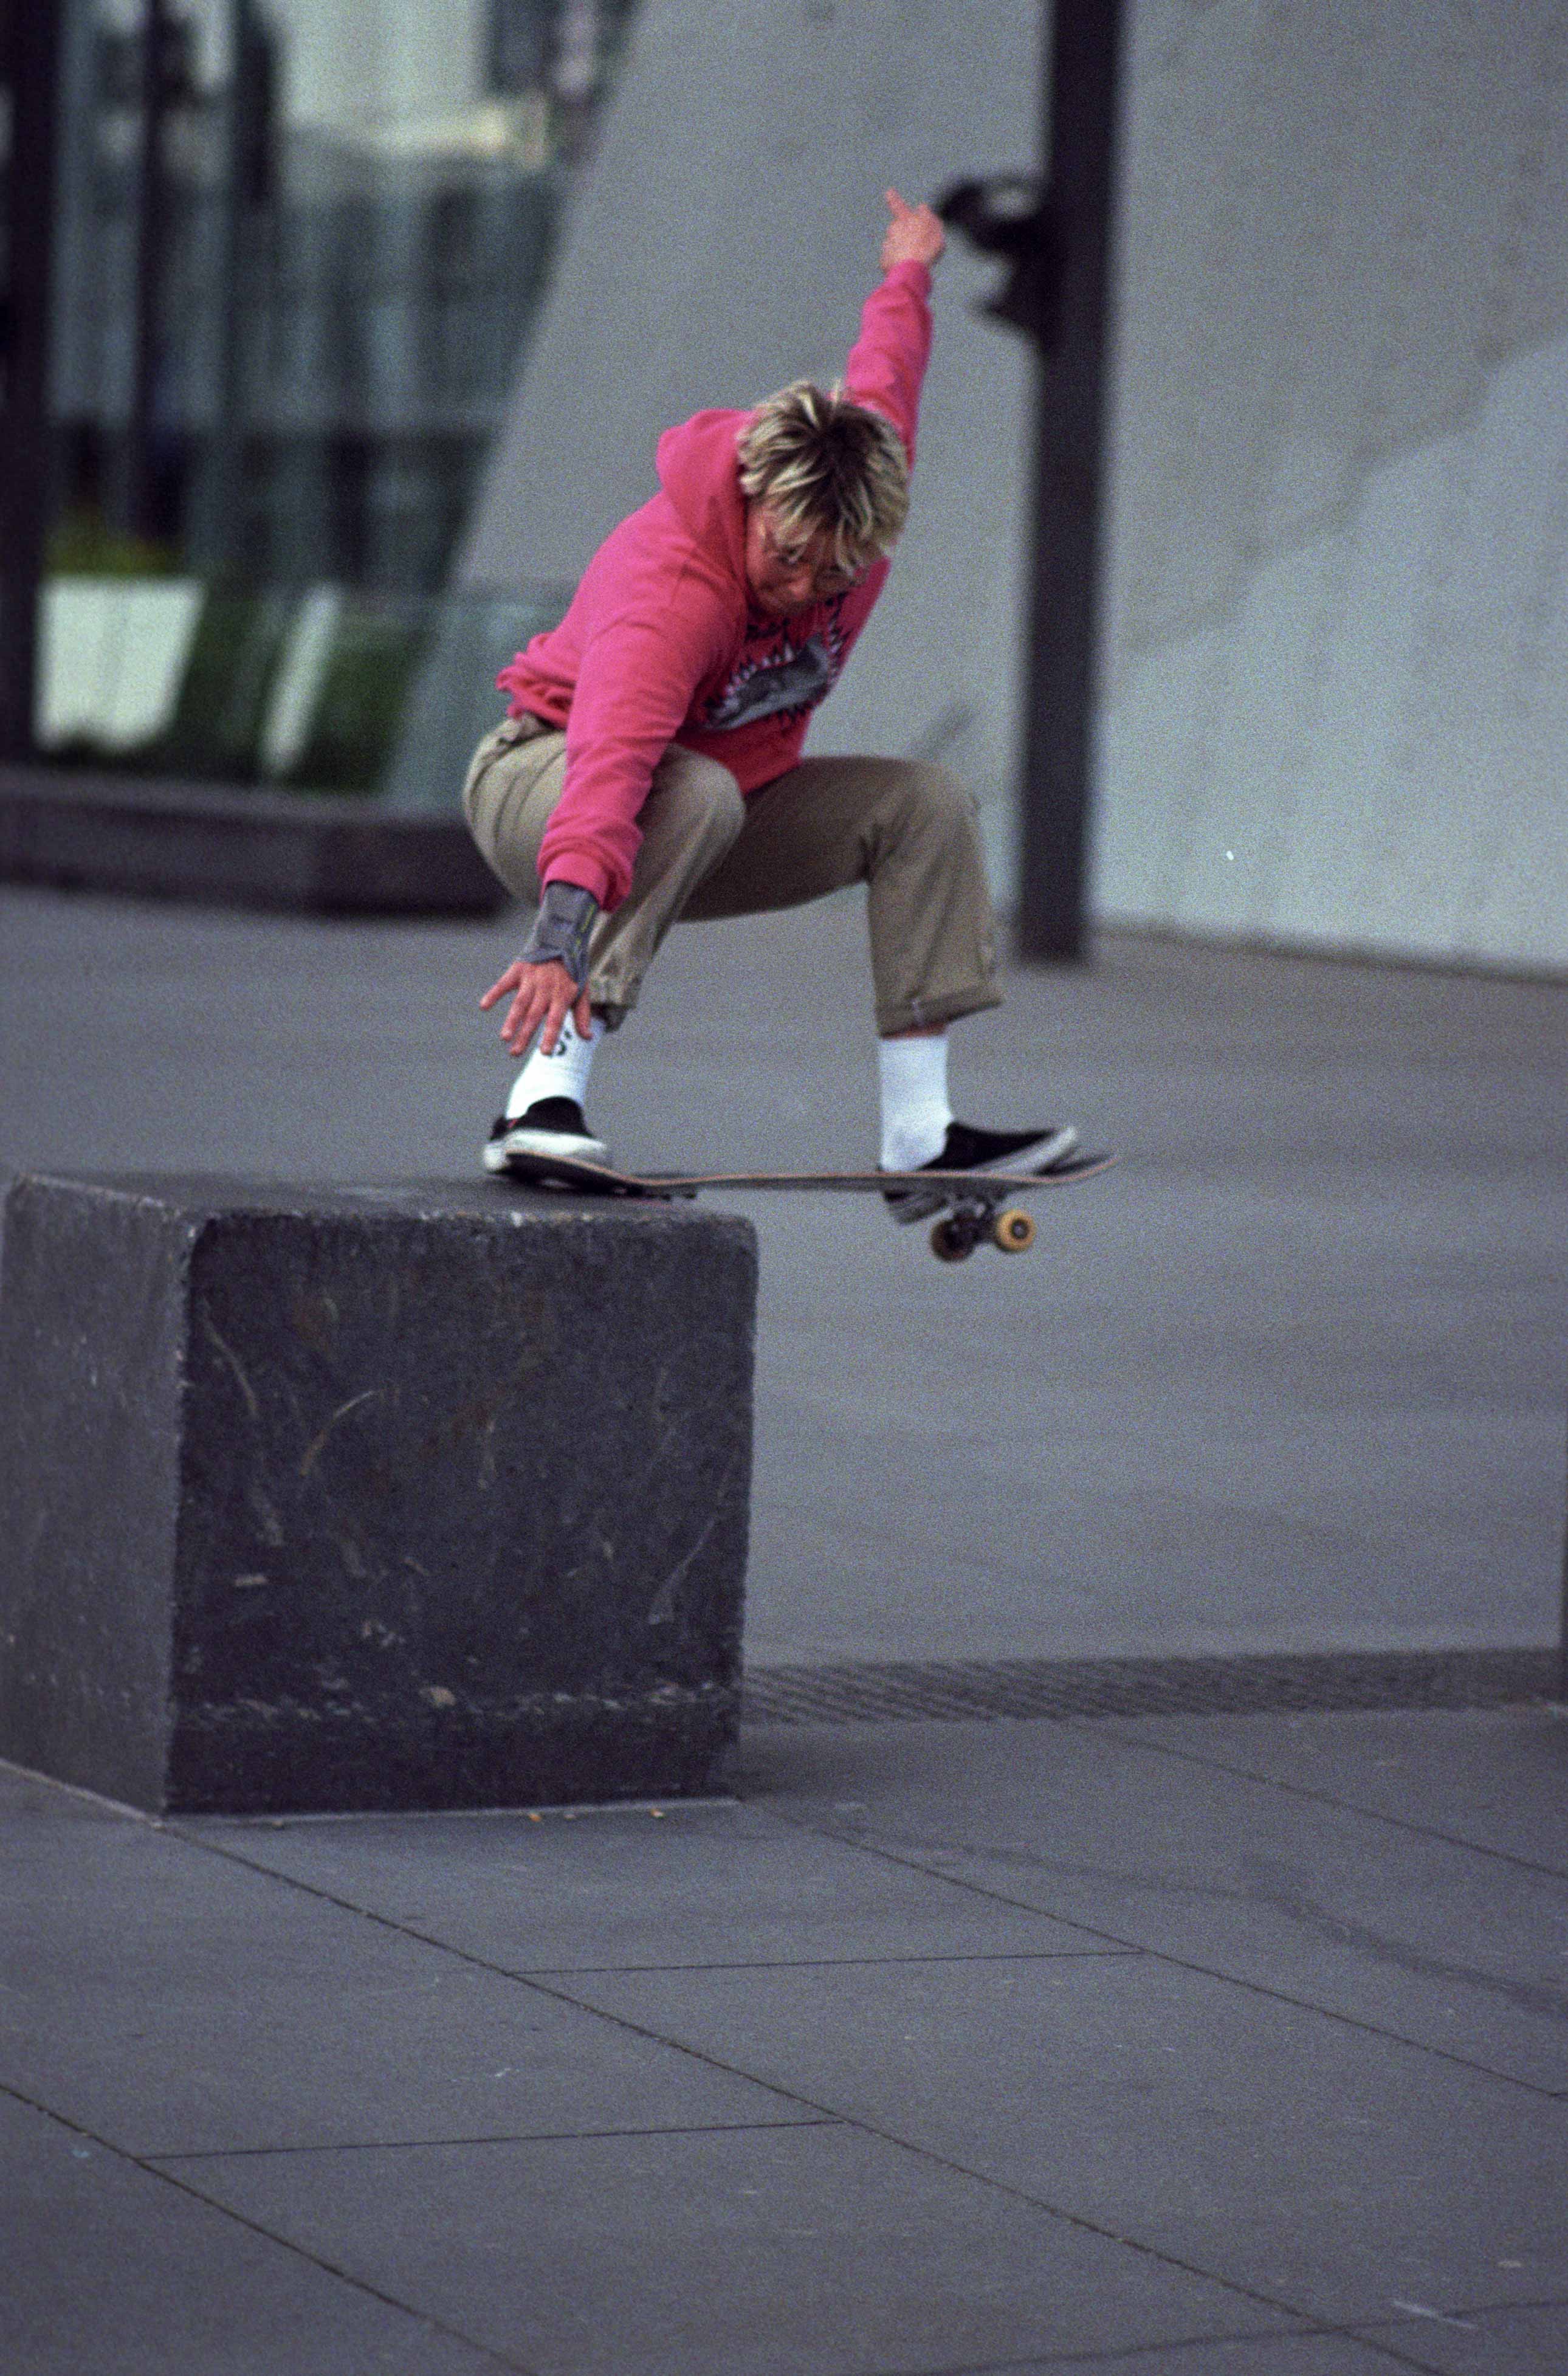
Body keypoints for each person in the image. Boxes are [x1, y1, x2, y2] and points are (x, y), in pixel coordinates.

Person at [464, 190, 1076, 1214]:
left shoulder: (852, 509)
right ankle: (541, 1102)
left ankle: (920, 1138)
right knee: (690, 785)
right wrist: (557, 929)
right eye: (786, 558)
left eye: (830, 577)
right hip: (545, 782)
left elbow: (887, 377)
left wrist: (910, 268)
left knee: (925, 803)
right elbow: (612, 761)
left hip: (712, 813)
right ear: (754, 500)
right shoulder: (670, 588)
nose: (800, 589)